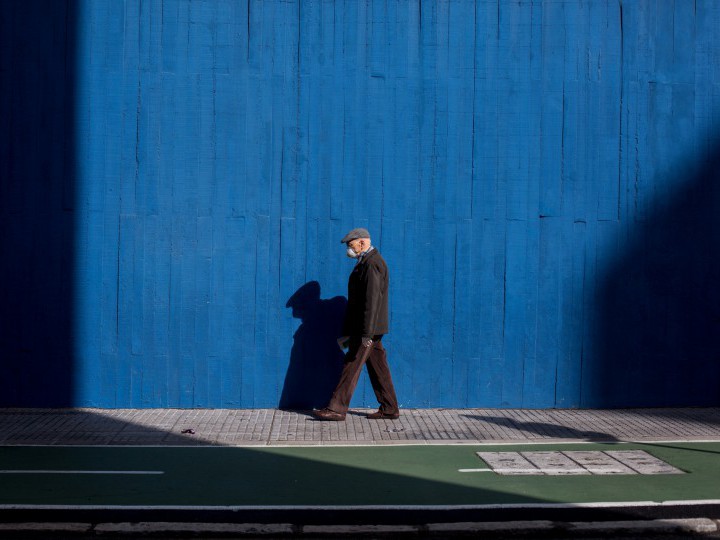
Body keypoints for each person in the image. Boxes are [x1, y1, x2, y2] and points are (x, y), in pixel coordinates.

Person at [314, 228, 400, 421]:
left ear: (362, 242)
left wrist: (366, 334)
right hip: (369, 329)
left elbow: (371, 302)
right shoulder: (366, 262)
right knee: (378, 367)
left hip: (366, 330)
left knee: (351, 364)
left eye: (351, 245)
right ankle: (390, 407)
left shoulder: (372, 264)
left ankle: (336, 409)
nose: (349, 250)